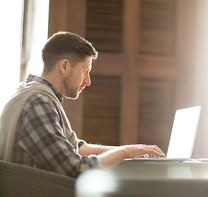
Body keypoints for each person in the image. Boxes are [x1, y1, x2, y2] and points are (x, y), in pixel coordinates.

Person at [0, 31, 164, 178]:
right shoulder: (38, 103)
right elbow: (77, 169)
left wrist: (131, 151)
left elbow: (76, 147)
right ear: (64, 66)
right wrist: (125, 152)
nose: (88, 81)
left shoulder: (33, 94)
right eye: (85, 71)